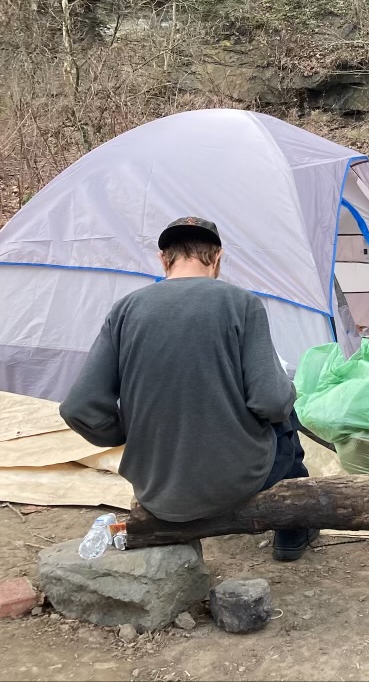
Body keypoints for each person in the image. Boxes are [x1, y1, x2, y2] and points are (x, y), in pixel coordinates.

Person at [59, 217, 316, 561]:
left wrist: (126, 434)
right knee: (287, 416)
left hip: (155, 487)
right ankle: (292, 532)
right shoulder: (242, 303)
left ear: (163, 259)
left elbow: (78, 407)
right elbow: (270, 402)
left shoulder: (125, 309)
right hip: (232, 482)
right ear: (218, 257)